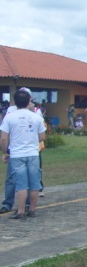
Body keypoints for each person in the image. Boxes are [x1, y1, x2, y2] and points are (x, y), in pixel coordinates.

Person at [0, 89, 46, 219]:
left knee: (21, 184)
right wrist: (31, 141)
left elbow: (3, 138)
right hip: (32, 153)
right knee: (34, 183)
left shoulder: (9, 117)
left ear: (15, 102)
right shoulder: (36, 116)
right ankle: (32, 209)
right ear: (29, 101)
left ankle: (20, 211)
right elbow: (42, 136)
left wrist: (5, 151)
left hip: (16, 154)